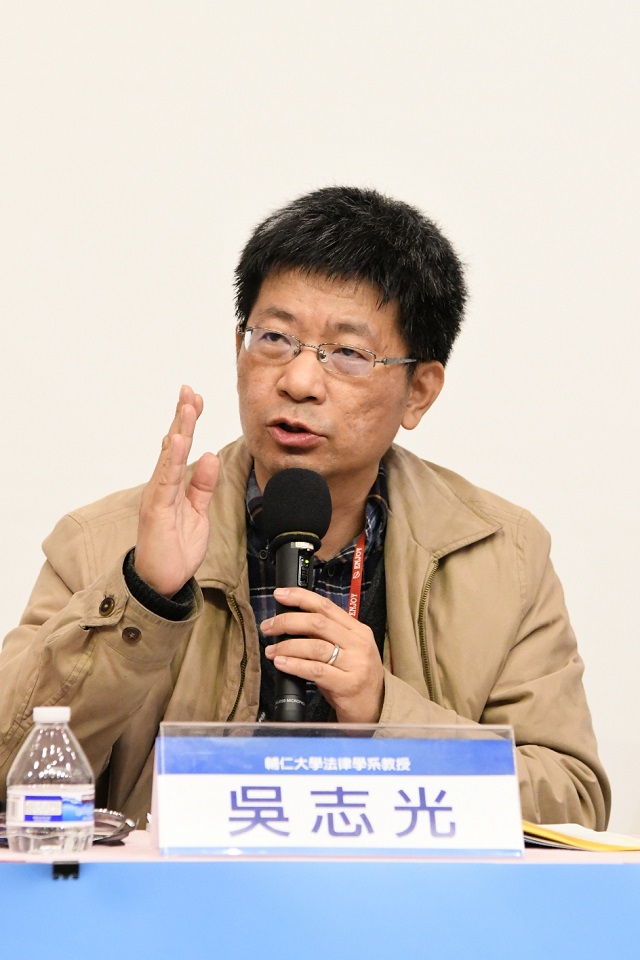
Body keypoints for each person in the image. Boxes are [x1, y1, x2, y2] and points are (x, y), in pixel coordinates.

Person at [0, 187, 610, 829]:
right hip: (183, 893)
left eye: (347, 353)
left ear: (419, 391)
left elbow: (572, 802)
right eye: (274, 337)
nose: (298, 381)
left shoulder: (502, 556)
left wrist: (385, 712)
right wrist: (143, 599)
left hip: (399, 895)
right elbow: (10, 770)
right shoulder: (107, 544)